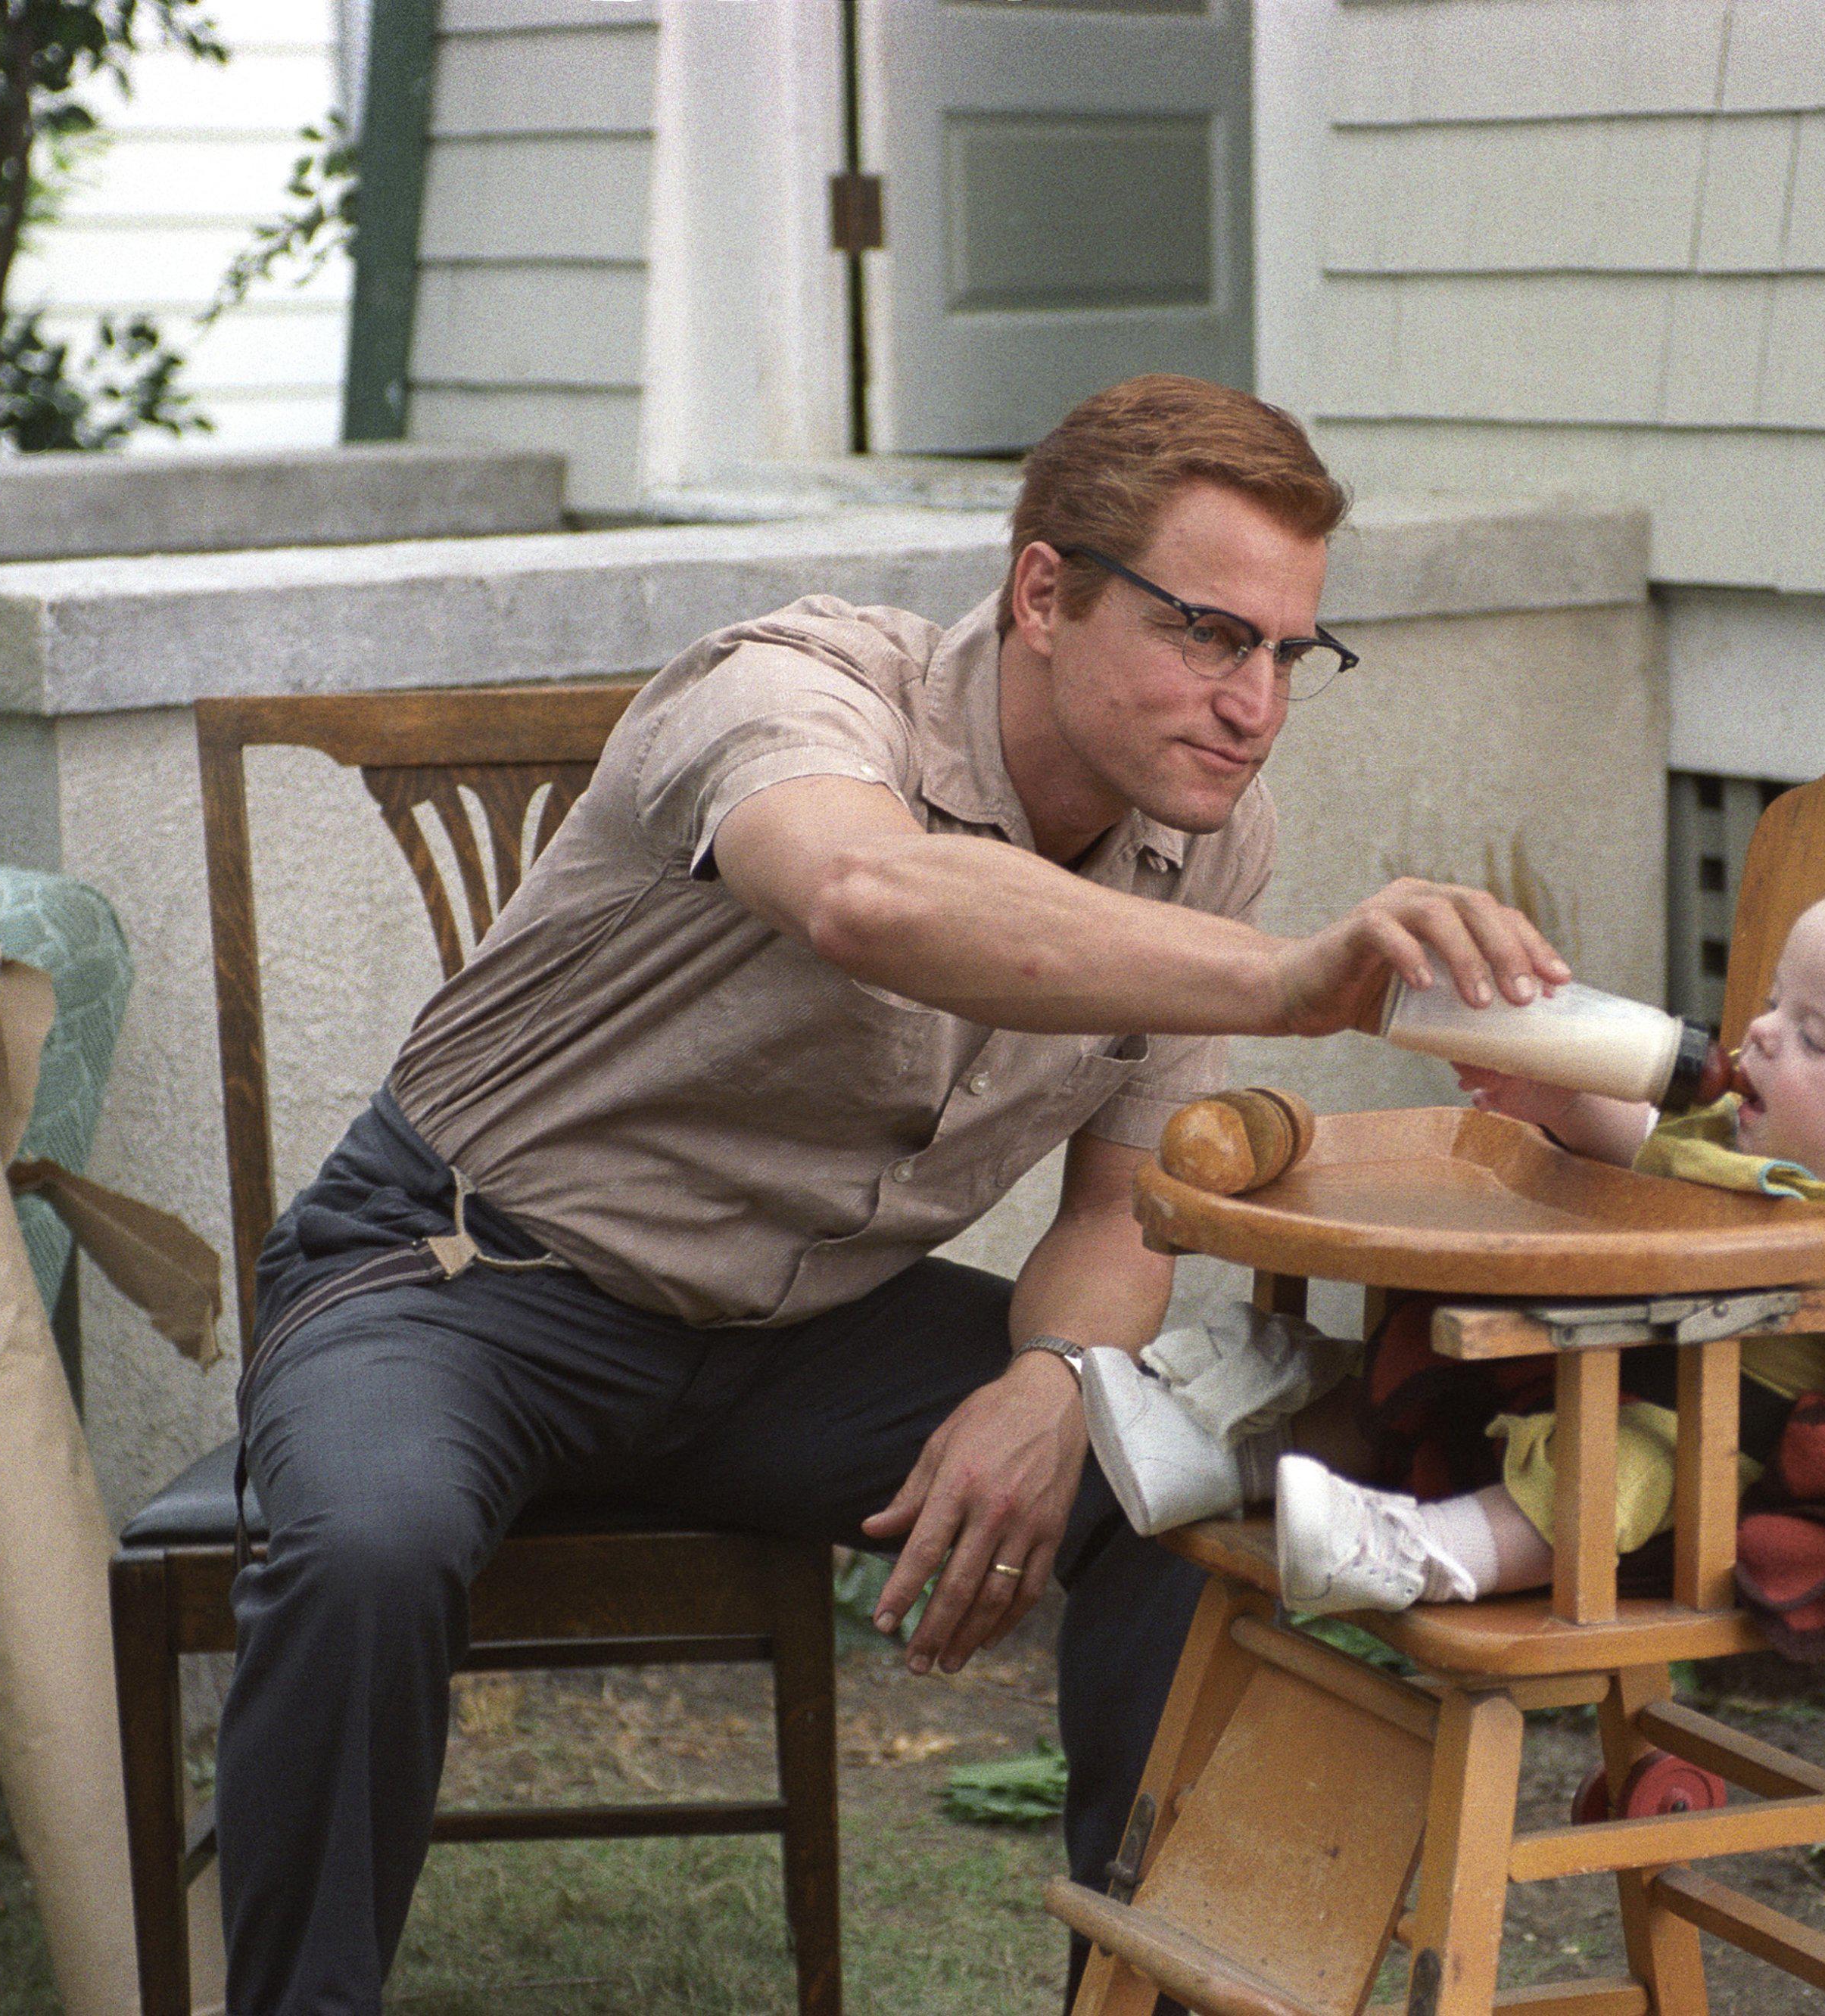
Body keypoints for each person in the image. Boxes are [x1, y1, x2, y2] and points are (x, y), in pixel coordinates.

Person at [213, 374, 1570, 2014]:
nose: (1254, 703)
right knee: (371, 1541)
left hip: (796, 1338)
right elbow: (866, 891)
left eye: (1291, 653)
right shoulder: (791, 691)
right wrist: (1297, 983)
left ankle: (1144, 2000)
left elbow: (1114, 1207)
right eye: (1213, 633)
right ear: (1045, 592)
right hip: (470, 1282)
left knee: (1194, 1482)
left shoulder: (1208, 838)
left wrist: (1054, 1379)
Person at [1086, 879, 1825, 1622]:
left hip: (1722, 1431)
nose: (1761, 1031)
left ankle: (1428, 1553)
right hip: (1600, 1350)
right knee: (1422, 1366)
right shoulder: (1748, 1130)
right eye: (1773, 1002)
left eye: (1812, 1036)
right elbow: (1639, 1151)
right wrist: (1547, 1099)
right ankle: (1224, 1455)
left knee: (1621, 1462)